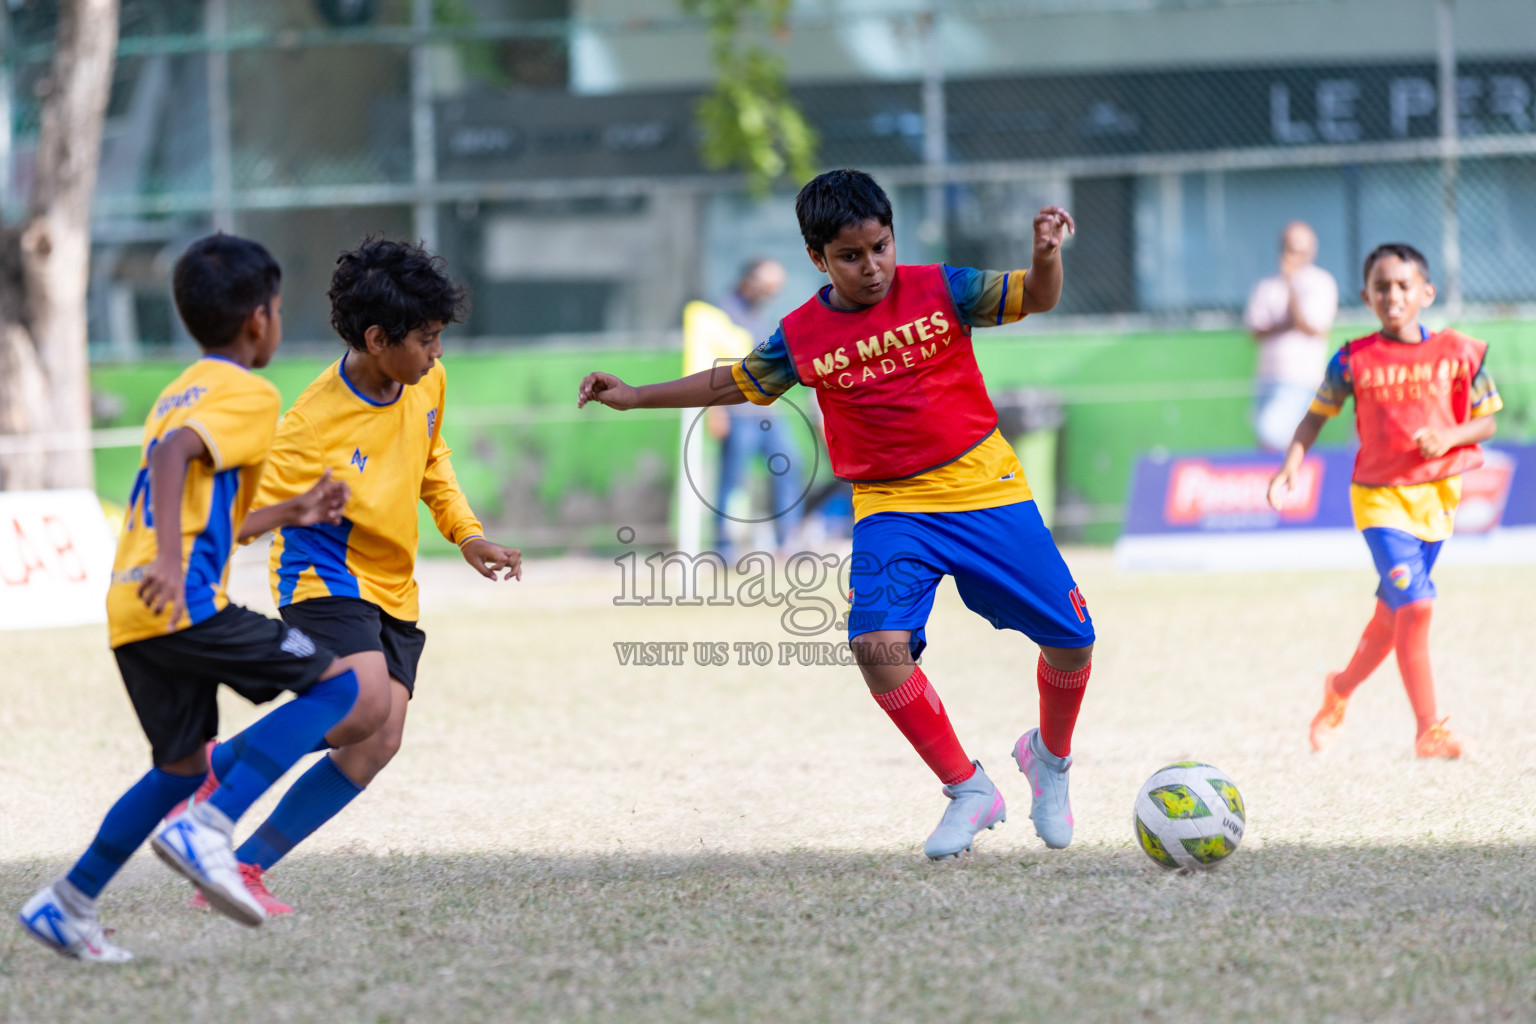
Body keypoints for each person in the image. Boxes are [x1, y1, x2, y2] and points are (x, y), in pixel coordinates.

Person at [579, 169, 1095, 860]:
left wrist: (1045, 254)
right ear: (818, 259)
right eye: (851, 256)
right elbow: (734, 380)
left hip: (983, 486)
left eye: (880, 247)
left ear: (892, 237)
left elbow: (1036, 297)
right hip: (891, 506)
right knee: (876, 647)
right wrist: (636, 395)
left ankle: (1049, 760)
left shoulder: (943, 286)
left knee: (1073, 641)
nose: (872, 265)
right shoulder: (802, 334)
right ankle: (969, 788)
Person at [17, 234, 394, 961]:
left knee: (179, 768)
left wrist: (293, 510)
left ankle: (69, 901)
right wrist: (169, 562)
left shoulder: (179, 390)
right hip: (181, 597)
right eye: (279, 310)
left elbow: (201, 500)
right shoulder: (251, 393)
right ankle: (212, 825)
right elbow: (172, 457)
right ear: (259, 320)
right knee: (345, 685)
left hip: (131, 608)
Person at [173, 237, 522, 915]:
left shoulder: (427, 382)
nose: (438, 353)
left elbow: (433, 462)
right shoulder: (309, 424)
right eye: (426, 339)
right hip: (322, 572)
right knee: (359, 701)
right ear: (376, 337)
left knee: (379, 738)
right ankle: (209, 801)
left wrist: (469, 534)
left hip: (390, 582)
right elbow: (242, 516)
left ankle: (240, 858)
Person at [1267, 243, 1500, 759]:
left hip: (1438, 500)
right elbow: (1314, 417)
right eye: (1381, 287)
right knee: (1416, 604)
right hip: (1379, 501)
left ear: (1426, 292)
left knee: (1392, 620)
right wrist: (1291, 463)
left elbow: (1487, 420)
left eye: (1402, 285)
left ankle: (1339, 690)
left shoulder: (1460, 352)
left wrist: (1452, 435)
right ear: (1365, 296)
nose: (1392, 294)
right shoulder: (1352, 359)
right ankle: (1428, 731)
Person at [707, 258, 804, 555]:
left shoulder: (758, 317)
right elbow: (710, 362)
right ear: (749, 281)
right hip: (736, 413)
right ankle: (724, 550)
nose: (770, 294)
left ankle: (787, 542)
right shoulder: (721, 314)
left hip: (766, 411)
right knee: (732, 479)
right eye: (766, 287)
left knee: (790, 463)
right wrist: (715, 409)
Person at [1246, 221, 1339, 451]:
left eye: (1299, 249)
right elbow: (1256, 331)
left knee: (1274, 433)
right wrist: (1286, 324)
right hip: (1267, 376)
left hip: (1300, 379)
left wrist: (1292, 288)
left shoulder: (1321, 283)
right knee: (1268, 443)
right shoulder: (1266, 286)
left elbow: (1312, 327)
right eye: (1289, 248)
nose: (1292, 255)